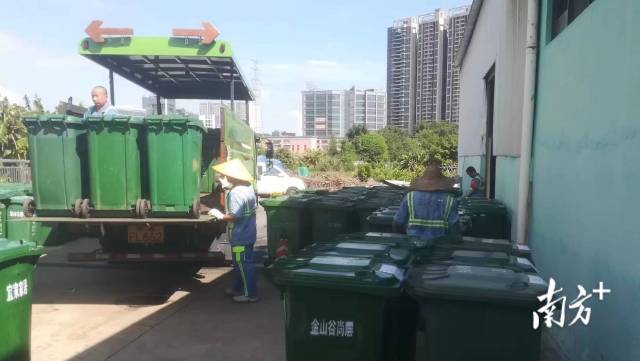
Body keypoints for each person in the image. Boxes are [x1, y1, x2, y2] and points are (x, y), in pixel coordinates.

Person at [207, 159, 258, 303]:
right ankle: (236, 288)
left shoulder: (236, 193)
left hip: (240, 236)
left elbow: (234, 216)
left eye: (223, 176)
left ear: (232, 177)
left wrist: (220, 215)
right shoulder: (248, 188)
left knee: (243, 264)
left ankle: (250, 295)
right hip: (247, 234)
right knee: (239, 264)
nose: (221, 179)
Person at [393, 163, 459, 243]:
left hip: (413, 244)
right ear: (442, 182)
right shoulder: (450, 199)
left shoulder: (410, 197)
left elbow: (398, 222)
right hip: (439, 245)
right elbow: (454, 227)